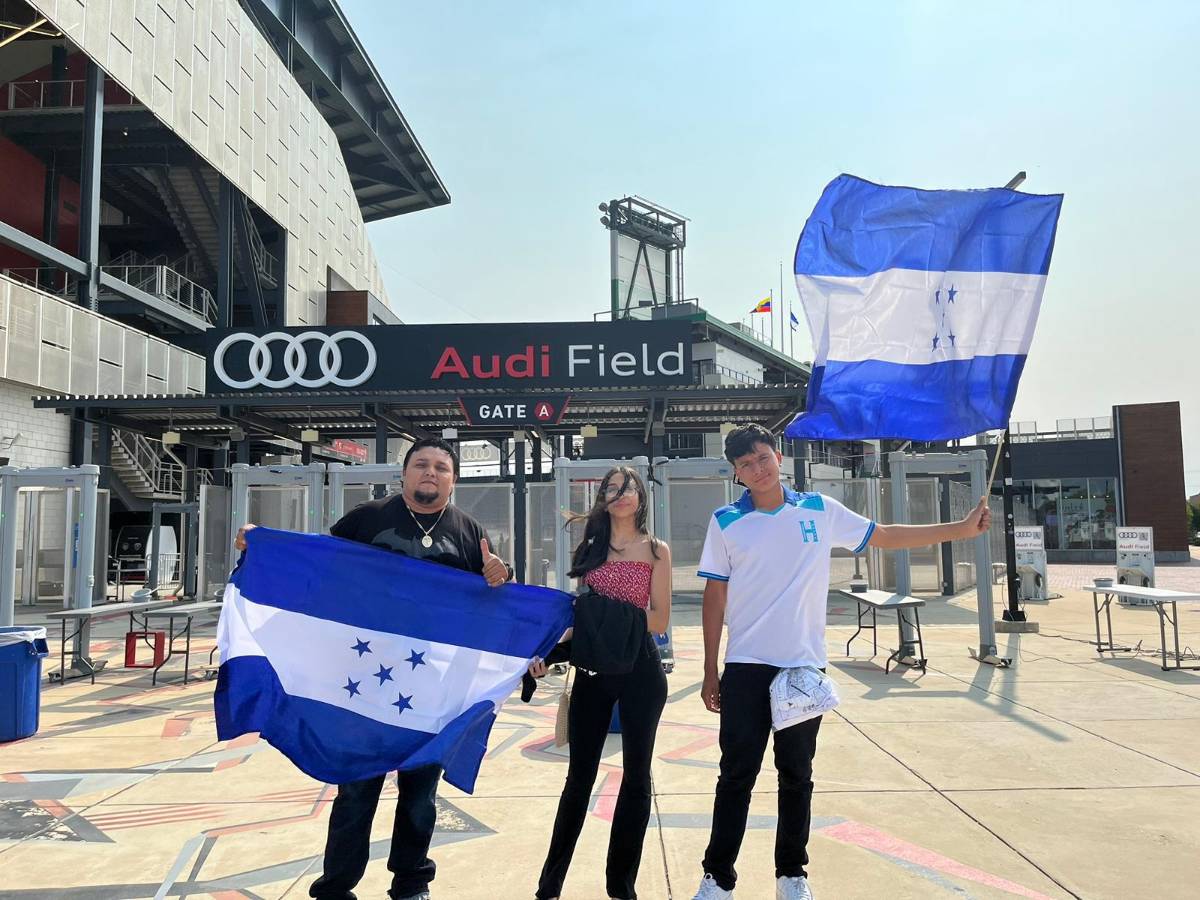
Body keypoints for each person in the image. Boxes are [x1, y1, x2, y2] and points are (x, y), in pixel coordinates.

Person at [690, 425, 991, 900]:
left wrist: (959, 529)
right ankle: (717, 878)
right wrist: (711, 669)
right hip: (746, 664)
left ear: (780, 456)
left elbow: (884, 535)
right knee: (736, 776)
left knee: (797, 775)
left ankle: (791, 875)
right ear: (736, 474)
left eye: (763, 458)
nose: (758, 469)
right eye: (746, 465)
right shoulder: (726, 521)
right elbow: (715, 595)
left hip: (803, 668)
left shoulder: (819, 510)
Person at [235, 438, 513, 900]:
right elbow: (321, 565)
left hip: (430, 687)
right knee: (357, 788)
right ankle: (337, 887)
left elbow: (489, 602)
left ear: (453, 479)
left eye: (441, 467)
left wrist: (502, 578)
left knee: (420, 794)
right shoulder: (368, 519)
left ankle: (411, 883)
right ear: (403, 474)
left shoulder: (468, 532)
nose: (431, 472)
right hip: (362, 682)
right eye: (421, 464)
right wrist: (262, 543)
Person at [532, 467, 672, 900]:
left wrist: (602, 618)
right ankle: (550, 885)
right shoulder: (589, 549)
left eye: (628, 487)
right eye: (612, 488)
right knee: (578, 779)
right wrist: (548, 652)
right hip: (593, 675)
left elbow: (660, 620)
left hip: (641, 674)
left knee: (636, 779)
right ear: (603, 499)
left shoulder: (656, 551)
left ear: (641, 496)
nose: (621, 494)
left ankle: (621, 885)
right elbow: (576, 621)